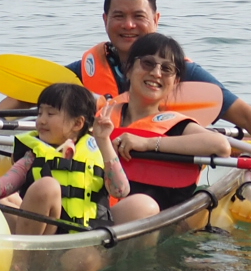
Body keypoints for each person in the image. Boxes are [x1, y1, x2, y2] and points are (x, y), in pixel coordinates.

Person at [71, 0, 251, 141]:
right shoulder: (87, 69)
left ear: (156, 20)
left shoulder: (182, 71)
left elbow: (245, 116)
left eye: (138, 16)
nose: (128, 25)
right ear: (105, 20)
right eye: (119, 16)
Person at [0, 82, 156, 238]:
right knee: (46, 186)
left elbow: (121, 190)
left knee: (144, 205)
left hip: (89, 232)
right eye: (40, 113)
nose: (41, 121)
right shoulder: (32, 156)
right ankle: (25, 262)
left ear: (78, 123)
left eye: (50, 114)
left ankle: (117, 260)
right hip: (49, 237)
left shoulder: (98, 150)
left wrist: (103, 141)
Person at [103, 32, 240, 210]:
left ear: (175, 82)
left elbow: (220, 146)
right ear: (128, 69)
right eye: (147, 63)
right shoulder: (103, 116)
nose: (156, 73)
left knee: (142, 207)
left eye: (167, 69)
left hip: (147, 218)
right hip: (101, 214)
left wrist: (147, 143)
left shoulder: (176, 125)